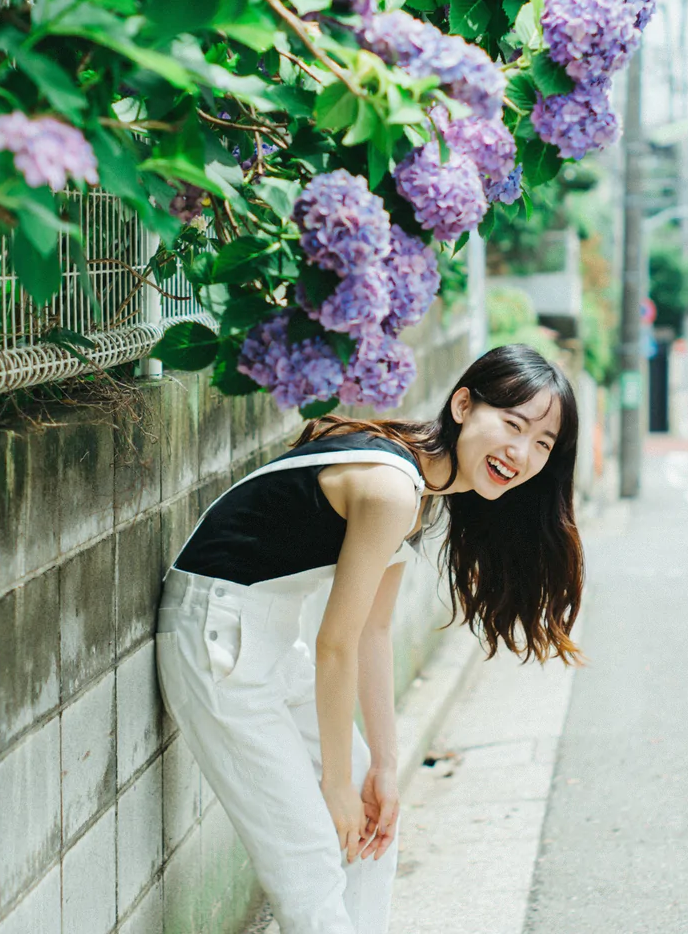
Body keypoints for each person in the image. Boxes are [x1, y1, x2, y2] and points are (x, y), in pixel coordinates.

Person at [155, 344, 585, 934]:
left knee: (374, 822)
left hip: (266, 640)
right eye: (513, 424)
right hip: (217, 638)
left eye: (543, 443)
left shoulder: (417, 483)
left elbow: (375, 633)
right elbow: (339, 642)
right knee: (311, 859)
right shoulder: (392, 488)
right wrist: (334, 786)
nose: (522, 453)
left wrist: (382, 766)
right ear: (463, 404)